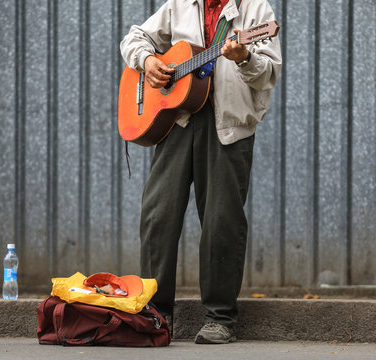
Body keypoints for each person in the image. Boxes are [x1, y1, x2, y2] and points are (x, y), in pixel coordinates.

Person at [120, 0, 282, 344]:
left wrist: (244, 57)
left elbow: (269, 73)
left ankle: (220, 317)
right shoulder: (180, 4)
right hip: (177, 120)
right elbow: (134, 38)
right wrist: (148, 61)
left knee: (222, 221)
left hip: (229, 127)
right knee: (157, 216)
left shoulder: (256, 10)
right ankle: (155, 315)